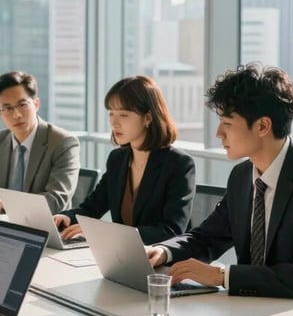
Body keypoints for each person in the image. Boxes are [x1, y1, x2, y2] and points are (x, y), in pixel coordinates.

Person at [146, 63, 293, 312]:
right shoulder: (242, 176)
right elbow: (207, 238)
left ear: (262, 126)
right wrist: (163, 251)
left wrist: (221, 275)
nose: (218, 133)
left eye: (227, 123)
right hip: (255, 311)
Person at [53, 76, 195, 244]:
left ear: (148, 118)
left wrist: (104, 232)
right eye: (111, 113)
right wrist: (66, 217)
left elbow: (171, 231)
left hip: (159, 261)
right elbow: (92, 208)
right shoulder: (118, 159)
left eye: (124, 115)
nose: (114, 122)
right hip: (121, 255)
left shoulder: (178, 163)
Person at [0, 71, 80, 214]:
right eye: (8, 108)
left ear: (36, 104)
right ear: (0, 113)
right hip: (4, 224)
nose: (16, 115)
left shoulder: (62, 142)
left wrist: (3, 205)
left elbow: (56, 199)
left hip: (46, 227)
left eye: (22, 104)